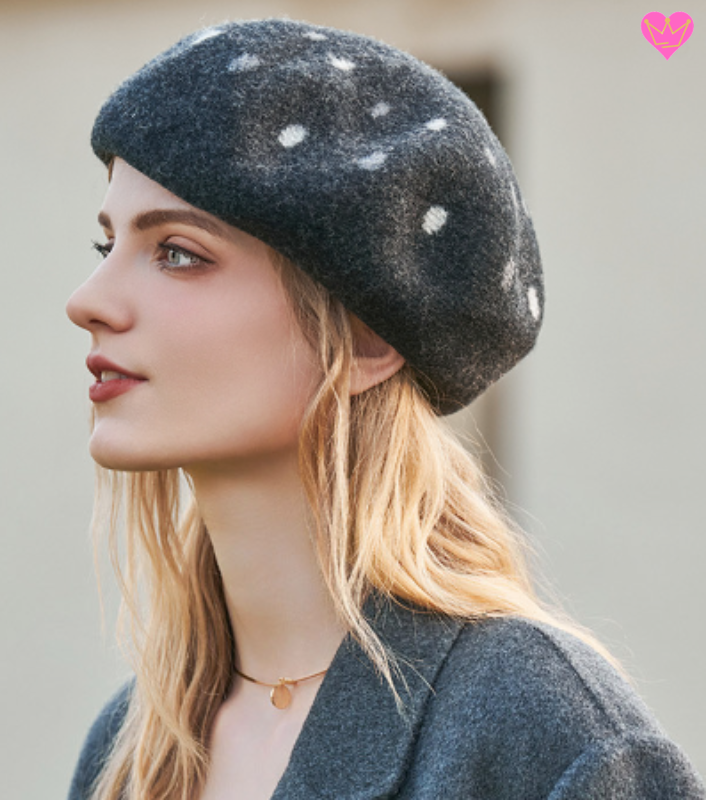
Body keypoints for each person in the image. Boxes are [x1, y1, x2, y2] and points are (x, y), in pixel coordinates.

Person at [64, 18, 705, 800]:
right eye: (108, 247)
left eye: (178, 253)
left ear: (367, 339)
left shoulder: (543, 733)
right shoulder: (130, 749)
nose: (87, 301)